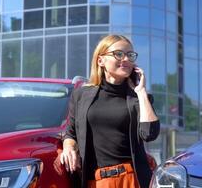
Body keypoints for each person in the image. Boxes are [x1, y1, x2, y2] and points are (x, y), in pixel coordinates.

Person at [60, 35, 160, 188]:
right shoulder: (81, 95)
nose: (126, 59)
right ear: (101, 61)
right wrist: (68, 148)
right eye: (118, 54)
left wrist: (141, 93)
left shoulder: (138, 97)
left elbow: (149, 133)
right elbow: (71, 133)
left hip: (130, 180)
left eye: (130, 55)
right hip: (94, 181)